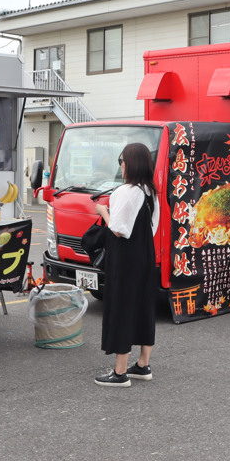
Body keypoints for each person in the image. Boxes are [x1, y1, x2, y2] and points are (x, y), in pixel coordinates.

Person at [93, 142, 160, 386]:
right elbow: (151, 227)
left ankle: (120, 372)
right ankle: (143, 365)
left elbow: (119, 230)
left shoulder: (125, 191)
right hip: (145, 255)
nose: (120, 165)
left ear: (130, 163)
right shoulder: (150, 192)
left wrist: (103, 210)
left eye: (121, 160)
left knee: (122, 307)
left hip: (125, 257)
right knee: (143, 306)